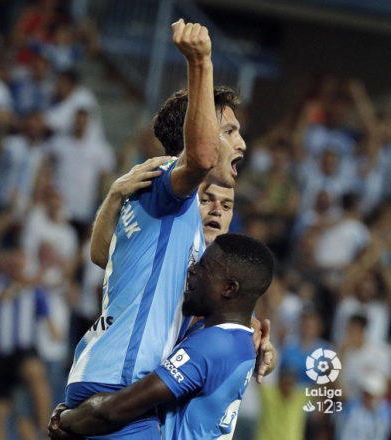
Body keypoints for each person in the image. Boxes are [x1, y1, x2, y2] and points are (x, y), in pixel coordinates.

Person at [63, 19, 253, 439]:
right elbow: (201, 156)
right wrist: (200, 62)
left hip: (101, 375)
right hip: (124, 385)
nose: (241, 142)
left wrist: (113, 197)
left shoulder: (153, 198)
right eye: (229, 130)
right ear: (196, 130)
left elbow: (101, 255)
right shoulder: (171, 181)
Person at [50, 233, 275, 440]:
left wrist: (66, 419)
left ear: (229, 289)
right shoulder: (241, 337)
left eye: (204, 267)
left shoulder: (212, 346)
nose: (192, 270)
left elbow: (115, 411)